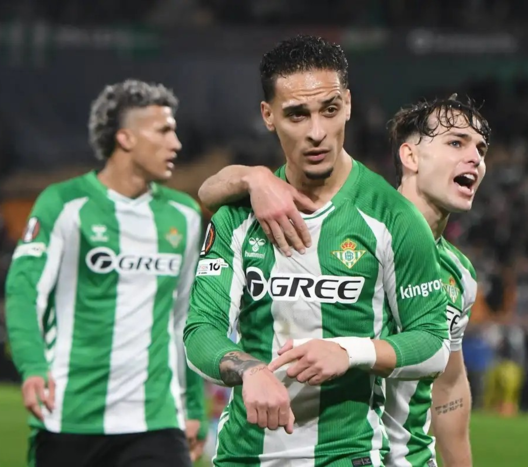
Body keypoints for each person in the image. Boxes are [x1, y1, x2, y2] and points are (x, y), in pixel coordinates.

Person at [184, 35, 450, 466]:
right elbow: (200, 332)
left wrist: (349, 352)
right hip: (244, 455)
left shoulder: (393, 218)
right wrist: (249, 370)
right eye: (297, 114)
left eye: (329, 109)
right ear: (268, 116)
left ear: (348, 104)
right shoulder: (236, 217)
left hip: (345, 454)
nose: (316, 132)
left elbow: (434, 343)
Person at [5, 79, 206, 467]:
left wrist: (193, 405)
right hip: (69, 416)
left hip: (156, 420)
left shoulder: (184, 215)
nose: (176, 144)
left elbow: (185, 318)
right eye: (163, 131)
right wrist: (32, 365)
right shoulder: (64, 204)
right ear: (125, 138)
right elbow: (24, 291)